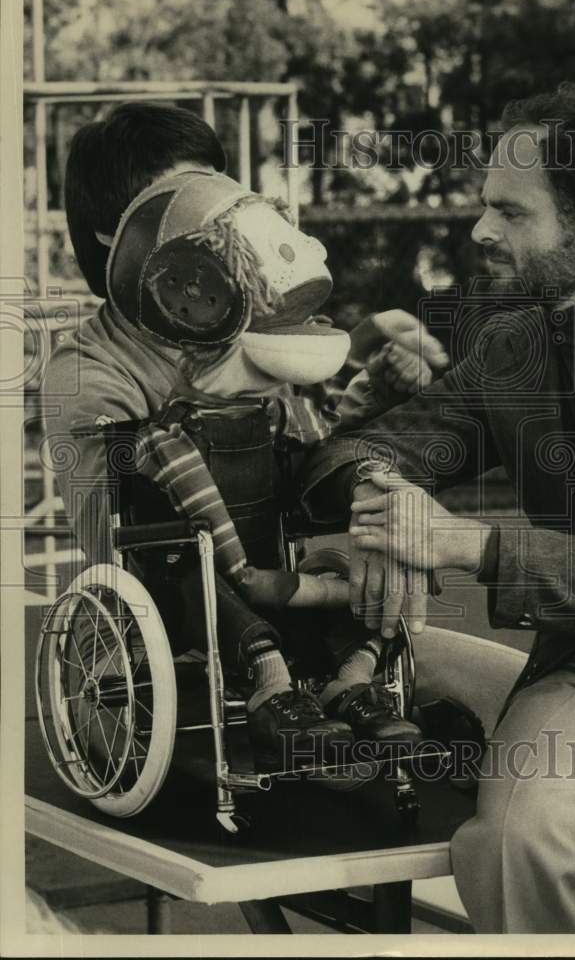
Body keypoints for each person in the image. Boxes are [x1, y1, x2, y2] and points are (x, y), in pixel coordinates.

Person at [306, 83, 575, 932]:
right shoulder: (514, 345)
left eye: (511, 212)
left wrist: (469, 545)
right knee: (517, 842)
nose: (481, 230)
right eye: (485, 206)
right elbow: (357, 451)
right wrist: (382, 504)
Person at [41, 102, 446, 770]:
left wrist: (373, 394)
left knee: (373, 570)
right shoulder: (85, 371)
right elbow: (119, 524)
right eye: (186, 200)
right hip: (167, 604)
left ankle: (355, 684)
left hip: (270, 577)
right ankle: (272, 681)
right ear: (122, 234)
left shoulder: (248, 332)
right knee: (179, 555)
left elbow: (298, 447)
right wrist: (216, 389)